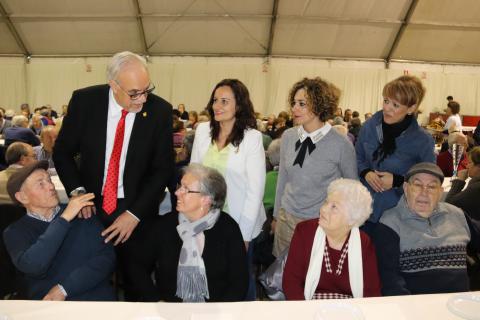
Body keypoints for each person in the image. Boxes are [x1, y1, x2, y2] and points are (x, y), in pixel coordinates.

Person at [52, 51, 174, 300]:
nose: (142, 99)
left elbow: (162, 169)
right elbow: (63, 152)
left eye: (146, 89)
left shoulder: (160, 110)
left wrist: (134, 214)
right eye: (133, 93)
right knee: (87, 277)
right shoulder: (85, 102)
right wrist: (78, 193)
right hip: (92, 207)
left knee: (137, 281)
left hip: (136, 210)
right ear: (113, 85)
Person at [190, 78, 266, 300]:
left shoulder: (252, 138)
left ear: (239, 105)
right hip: (205, 219)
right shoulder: (203, 130)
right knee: (208, 275)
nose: (217, 106)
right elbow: (193, 175)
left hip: (239, 221)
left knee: (240, 281)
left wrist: (243, 235)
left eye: (224, 101)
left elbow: (255, 190)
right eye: (215, 100)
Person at [131, 164, 248, 302]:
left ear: (207, 199)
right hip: (171, 312)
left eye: (185, 189)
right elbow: (136, 266)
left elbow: (239, 282)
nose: (176, 192)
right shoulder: (164, 226)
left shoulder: (228, 228)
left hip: (215, 311)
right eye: (179, 186)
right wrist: (156, 300)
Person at [3, 161, 116, 301]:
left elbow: (106, 258)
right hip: (49, 304)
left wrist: (65, 288)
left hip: (94, 297)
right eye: (41, 184)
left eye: (49, 180)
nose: (51, 186)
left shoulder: (83, 212)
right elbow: (34, 266)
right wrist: (64, 219)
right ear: (22, 197)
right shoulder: (15, 232)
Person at [272, 77, 357, 257]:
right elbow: (283, 179)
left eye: (302, 104)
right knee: (283, 277)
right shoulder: (288, 136)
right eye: (294, 103)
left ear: (320, 106)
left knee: (314, 279)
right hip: (286, 219)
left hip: (321, 223)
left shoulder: (341, 144)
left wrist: (343, 225)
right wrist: (276, 216)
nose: (294, 108)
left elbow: (352, 189)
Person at [374, 162, 480, 295]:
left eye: (432, 186)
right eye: (418, 185)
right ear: (406, 188)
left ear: (440, 192)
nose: (424, 192)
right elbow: (390, 280)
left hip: (460, 305)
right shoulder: (390, 222)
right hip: (416, 308)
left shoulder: (457, 215)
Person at [355, 75, 435, 229]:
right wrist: (365, 172)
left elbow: (429, 180)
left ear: (411, 108)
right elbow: (357, 156)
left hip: (396, 218)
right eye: (386, 101)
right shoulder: (369, 127)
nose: (387, 108)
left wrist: (398, 181)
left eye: (395, 105)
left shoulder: (423, 140)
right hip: (360, 212)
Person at [283, 179, 381, 300]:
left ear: (352, 219)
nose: (323, 209)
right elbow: (291, 282)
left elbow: (371, 292)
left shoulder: (363, 243)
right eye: (326, 202)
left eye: (334, 207)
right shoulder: (305, 231)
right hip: (309, 306)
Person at [445, 146, 480, 221]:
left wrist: (460, 180)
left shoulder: (476, 188)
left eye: (470, 162)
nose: (467, 166)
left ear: (478, 166)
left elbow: (448, 205)